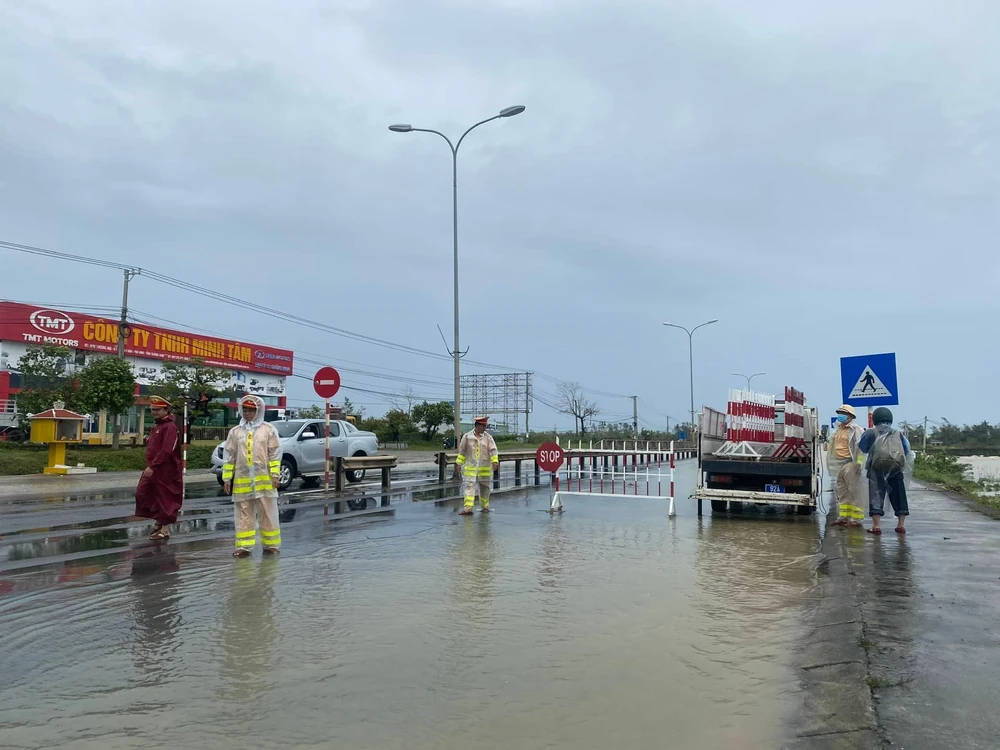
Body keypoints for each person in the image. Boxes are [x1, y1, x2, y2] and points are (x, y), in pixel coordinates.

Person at [222, 395, 283, 556]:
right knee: (243, 514)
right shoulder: (235, 432)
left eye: (251, 410)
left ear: (259, 410)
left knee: (268, 513)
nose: (247, 413)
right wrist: (227, 478)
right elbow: (229, 457)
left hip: (264, 481)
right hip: (243, 481)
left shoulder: (268, 430)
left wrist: (275, 475)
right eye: (245, 410)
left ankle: (271, 545)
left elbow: (274, 454)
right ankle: (243, 546)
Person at [135, 395, 184, 541]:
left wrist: (153, 466)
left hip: (166, 470)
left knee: (165, 498)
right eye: (152, 409)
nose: (154, 412)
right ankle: (159, 520)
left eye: (157, 409)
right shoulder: (158, 426)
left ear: (166, 410)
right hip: (154, 468)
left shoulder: (170, 427)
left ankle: (164, 528)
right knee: (143, 493)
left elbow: (167, 450)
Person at [859, 406, 912, 535]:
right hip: (895, 468)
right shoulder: (898, 434)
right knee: (899, 496)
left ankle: (876, 526)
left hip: (876, 469)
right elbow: (906, 451)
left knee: (876, 496)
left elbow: (863, 448)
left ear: (875, 419)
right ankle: (900, 525)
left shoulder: (870, 433)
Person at [827, 404, 866, 526]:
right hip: (839, 464)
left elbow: (861, 449)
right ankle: (843, 516)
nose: (841, 415)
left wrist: (858, 464)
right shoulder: (838, 430)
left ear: (850, 416)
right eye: (839, 412)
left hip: (850, 463)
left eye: (843, 413)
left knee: (854, 492)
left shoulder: (856, 430)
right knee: (842, 492)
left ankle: (855, 519)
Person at [455, 416, 499, 515]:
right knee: (469, 487)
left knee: (485, 488)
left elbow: (493, 450)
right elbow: (462, 451)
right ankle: (468, 508)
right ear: (477, 425)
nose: (485, 428)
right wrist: (459, 463)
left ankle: (485, 507)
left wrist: (495, 461)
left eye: (485, 426)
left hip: (484, 469)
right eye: (483, 426)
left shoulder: (488, 438)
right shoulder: (467, 437)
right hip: (471, 468)